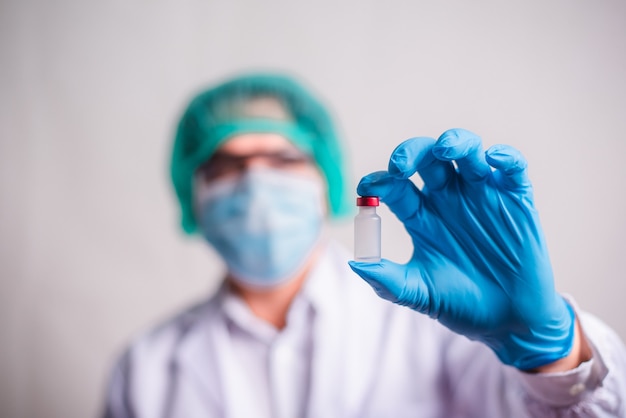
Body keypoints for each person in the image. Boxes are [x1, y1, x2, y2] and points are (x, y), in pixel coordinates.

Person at [102, 73, 626, 418]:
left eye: (283, 160)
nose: (256, 183)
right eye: (226, 166)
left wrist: (549, 352)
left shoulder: (441, 330)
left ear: (325, 180)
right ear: (192, 197)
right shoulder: (146, 368)